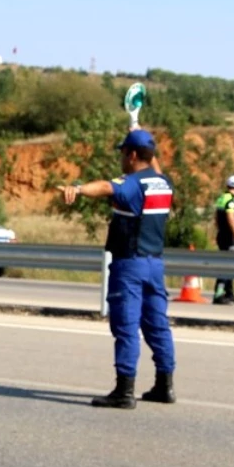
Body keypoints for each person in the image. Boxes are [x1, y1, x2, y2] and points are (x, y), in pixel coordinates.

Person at [57, 128, 176, 409]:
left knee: (126, 326)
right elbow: (154, 169)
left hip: (130, 264)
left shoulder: (132, 184)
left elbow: (108, 187)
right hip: (155, 265)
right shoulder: (163, 182)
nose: (121, 158)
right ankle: (165, 385)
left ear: (132, 155)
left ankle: (124, 391)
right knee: (158, 325)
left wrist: (78, 188)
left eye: (123, 153)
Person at [213, 174, 234, 305]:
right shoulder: (231, 201)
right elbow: (231, 219)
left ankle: (229, 292)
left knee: (229, 264)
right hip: (229, 237)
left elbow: (216, 217)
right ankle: (219, 294)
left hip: (222, 235)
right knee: (227, 265)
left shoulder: (222, 197)